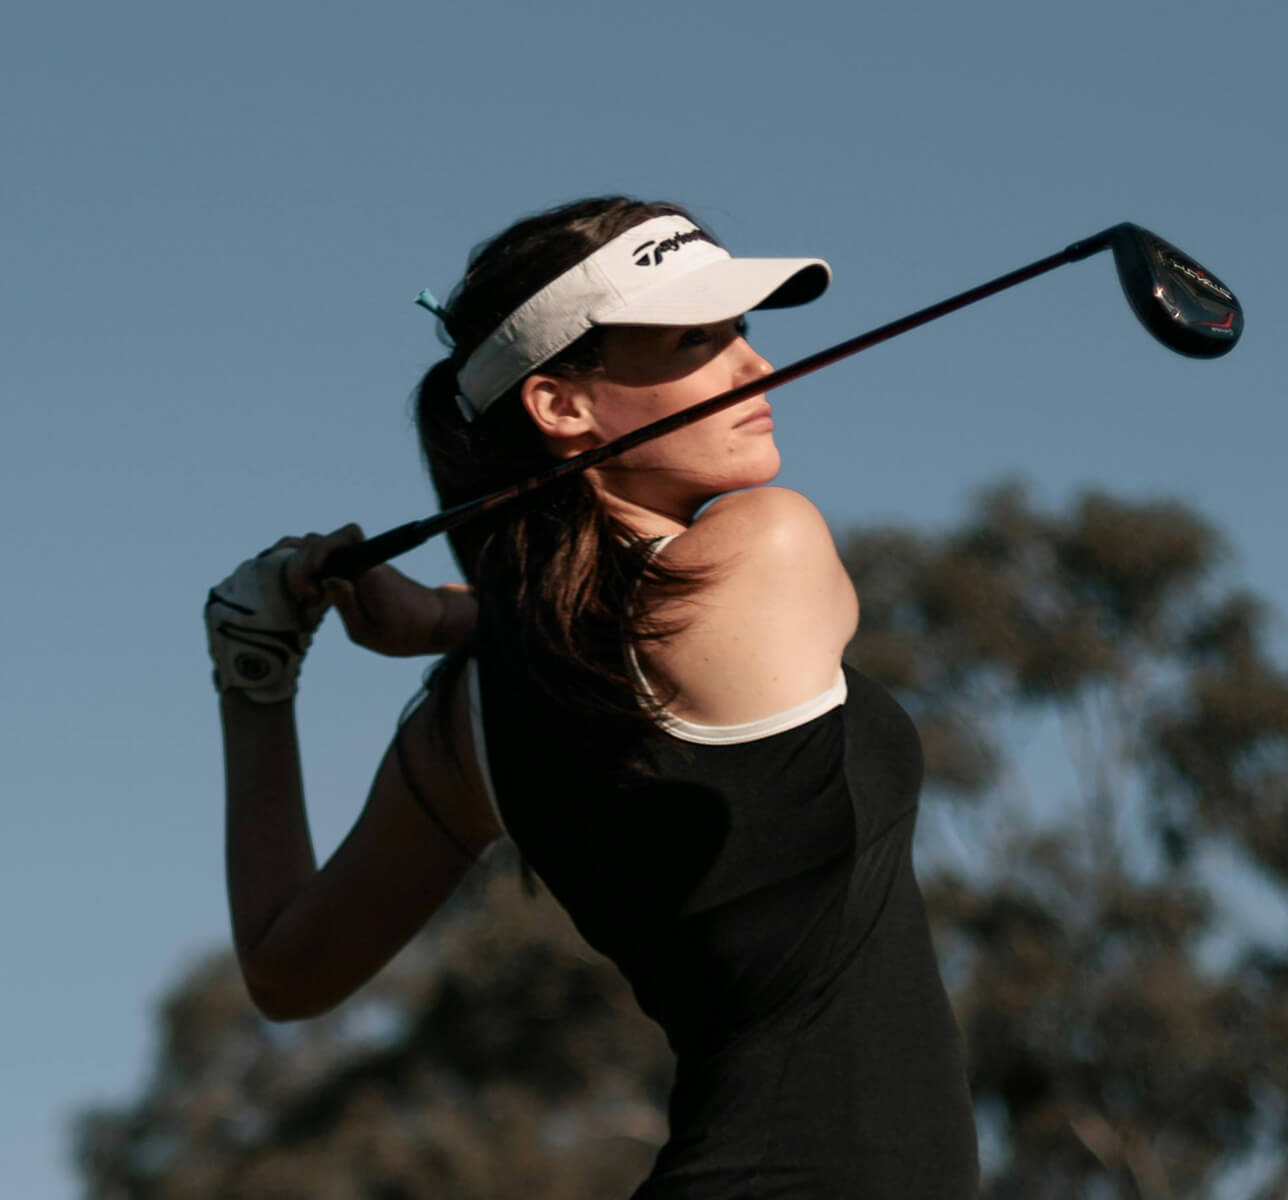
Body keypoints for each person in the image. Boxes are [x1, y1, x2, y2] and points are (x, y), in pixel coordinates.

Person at [206, 196, 980, 1198]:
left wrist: (255, 679)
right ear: (560, 406)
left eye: (742, 332)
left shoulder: (472, 719)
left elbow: (285, 968)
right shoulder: (766, 545)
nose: (755, 367)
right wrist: (456, 617)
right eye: (698, 339)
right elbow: (638, 624)